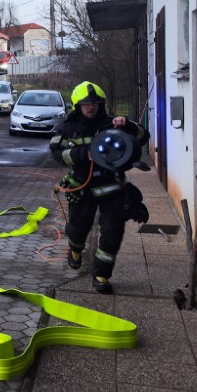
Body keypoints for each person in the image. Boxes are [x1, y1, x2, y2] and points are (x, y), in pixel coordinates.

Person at [50, 81, 149, 294]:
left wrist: (128, 126)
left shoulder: (113, 124)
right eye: (86, 103)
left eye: (95, 103)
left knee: (113, 231)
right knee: (78, 228)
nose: (91, 107)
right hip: (81, 186)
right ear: (78, 105)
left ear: (101, 104)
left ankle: (101, 275)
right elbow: (56, 153)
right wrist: (81, 154)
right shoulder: (67, 128)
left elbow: (142, 137)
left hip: (111, 187)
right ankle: (75, 249)